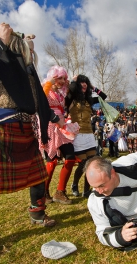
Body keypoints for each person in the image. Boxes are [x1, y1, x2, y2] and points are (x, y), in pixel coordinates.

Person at [0, 23, 62, 260]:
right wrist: (0, 41)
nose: (29, 55)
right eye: (24, 51)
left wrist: (53, 115)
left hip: (23, 129)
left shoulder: (25, 72)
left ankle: (37, 213)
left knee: (38, 175)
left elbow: (37, 97)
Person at [41, 65, 79, 203]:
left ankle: (60, 191)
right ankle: (43, 192)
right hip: (49, 127)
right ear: (53, 77)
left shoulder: (62, 93)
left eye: (64, 78)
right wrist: (49, 82)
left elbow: (73, 90)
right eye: (60, 78)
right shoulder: (45, 89)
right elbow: (40, 101)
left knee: (70, 158)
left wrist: (73, 82)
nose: (63, 81)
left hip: (62, 128)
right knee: (51, 161)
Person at [65, 75, 107, 197]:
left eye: (86, 82)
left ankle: (86, 190)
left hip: (89, 134)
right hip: (78, 135)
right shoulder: (70, 98)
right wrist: (74, 81)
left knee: (91, 163)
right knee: (83, 163)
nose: (84, 84)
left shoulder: (89, 99)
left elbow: (103, 97)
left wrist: (92, 87)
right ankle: (74, 184)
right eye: (81, 83)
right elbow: (71, 89)